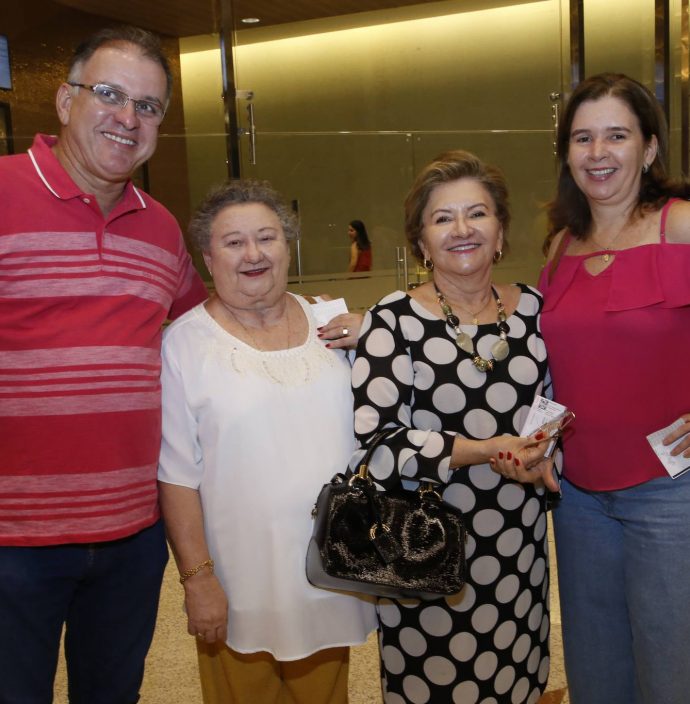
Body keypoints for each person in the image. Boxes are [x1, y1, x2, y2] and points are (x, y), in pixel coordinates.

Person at [0, 25, 207, 703]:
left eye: (148, 107)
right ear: (64, 100)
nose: (128, 118)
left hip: (131, 538)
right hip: (13, 540)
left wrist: (330, 326)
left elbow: (210, 328)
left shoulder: (163, 227)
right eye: (110, 94)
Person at [157, 179, 377, 704]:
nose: (253, 254)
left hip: (330, 569)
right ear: (208, 257)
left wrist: (377, 330)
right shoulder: (183, 344)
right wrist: (197, 580)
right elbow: (176, 474)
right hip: (239, 582)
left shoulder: (331, 323)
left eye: (267, 237)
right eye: (234, 243)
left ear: (288, 245)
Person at [351, 149, 558, 703]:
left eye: (477, 213)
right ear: (421, 241)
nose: (462, 229)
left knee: (518, 680)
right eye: (443, 218)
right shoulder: (391, 321)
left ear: (500, 231)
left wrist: (544, 456)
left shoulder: (537, 311)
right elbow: (379, 446)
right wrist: (485, 448)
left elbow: (559, 408)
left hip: (518, 548)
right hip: (426, 551)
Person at [539, 72, 690, 704]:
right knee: (597, 673)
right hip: (577, 499)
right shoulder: (558, 248)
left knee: (672, 667)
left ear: (650, 148)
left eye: (617, 136)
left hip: (670, 490)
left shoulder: (680, 226)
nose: (598, 153)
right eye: (583, 138)